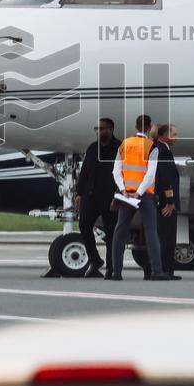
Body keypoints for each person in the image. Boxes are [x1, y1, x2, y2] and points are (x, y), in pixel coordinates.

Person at [111, 114, 168, 281]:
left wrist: (123, 190)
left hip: (126, 195)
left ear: (135, 127)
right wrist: (139, 192)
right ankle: (156, 272)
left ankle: (116, 272)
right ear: (149, 128)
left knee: (120, 231)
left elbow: (116, 171)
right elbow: (150, 174)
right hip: (145, 195)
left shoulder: (125, 144)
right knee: (151, 232)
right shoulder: (152, 146)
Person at [75, 118, 121, 278]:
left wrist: (120, 193)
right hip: (91, 195)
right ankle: (95, 260)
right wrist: (79, 193)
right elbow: (85, 172)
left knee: (111, 232)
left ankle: (111, 268)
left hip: (111, 197)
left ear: (111, 129)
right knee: (84, 225)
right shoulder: (93, 148)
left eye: (101, 129)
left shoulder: (119, 148)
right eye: (96, 129)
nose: (98, 132)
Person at [153, 123, 182, 280]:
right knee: (166, 237)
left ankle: (167, 270)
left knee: (166, 236)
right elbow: (166, 179)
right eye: (174, 134)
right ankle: (165, 270)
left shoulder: (161, 149)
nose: (176, 138)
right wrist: (170, 201)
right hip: (165, 203)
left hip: (162, 200)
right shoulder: (163, 152)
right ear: (164, 135)